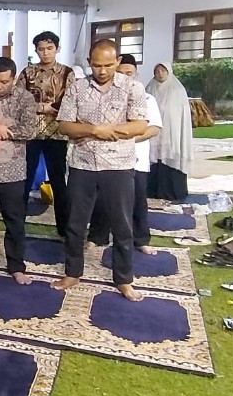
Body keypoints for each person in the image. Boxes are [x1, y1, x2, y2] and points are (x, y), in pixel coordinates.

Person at [55, 39, 148, 302]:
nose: (103, 70)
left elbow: (139, 125)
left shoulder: (132, 87)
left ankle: (124, 279)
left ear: (118, 62)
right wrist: (95, 130)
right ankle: (73, 272)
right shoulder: (77, 87)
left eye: (108, 65)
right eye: (97, 65)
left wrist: (107, 130)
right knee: (75, 223)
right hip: (82, 164)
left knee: (122, 225)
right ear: (89, 62)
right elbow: (64, 126)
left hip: (118, 165)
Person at [87, 54, 162, 255]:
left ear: (136, 73)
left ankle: (141, 239)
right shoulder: (103, 95)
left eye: (129, 73)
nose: (124, 77)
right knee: (102, 199)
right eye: (121, 73)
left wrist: (126, 139)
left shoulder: (147, 98)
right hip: (106, 157)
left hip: (136, 158)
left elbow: (154, 128)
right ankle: (97, 236)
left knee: (137, 200)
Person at [0, 57, 37, 284]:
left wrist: (5, 130)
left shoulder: (25, 98)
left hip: (12, 168)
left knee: (14, 220)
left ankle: (16, 265)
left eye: (4, 82)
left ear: (13, 79)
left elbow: (30, 130)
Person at [17, 31, 75, 237]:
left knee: (58, 182)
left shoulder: (67, 73)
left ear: (57, 49)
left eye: (50, 48)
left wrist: (46, 108)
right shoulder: (27, 73)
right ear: (36, 51)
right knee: (24, 180)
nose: (46, 53)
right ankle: (17, 226)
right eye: (41, 49)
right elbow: (19, 99)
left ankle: (64, 229)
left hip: (57, 134)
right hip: (30, 133)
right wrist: (44, 107)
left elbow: (70, 101)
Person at [146, 62, 193, 201]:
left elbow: (181, 114)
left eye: (163, 70)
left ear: (168, 72)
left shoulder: (177, 89)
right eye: (157, 71)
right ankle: (152, 191)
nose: (160, 73)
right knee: (154, 162)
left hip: (172, 133)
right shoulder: (150, 88)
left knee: (170, 161)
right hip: (154, 133)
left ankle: (173, 192)